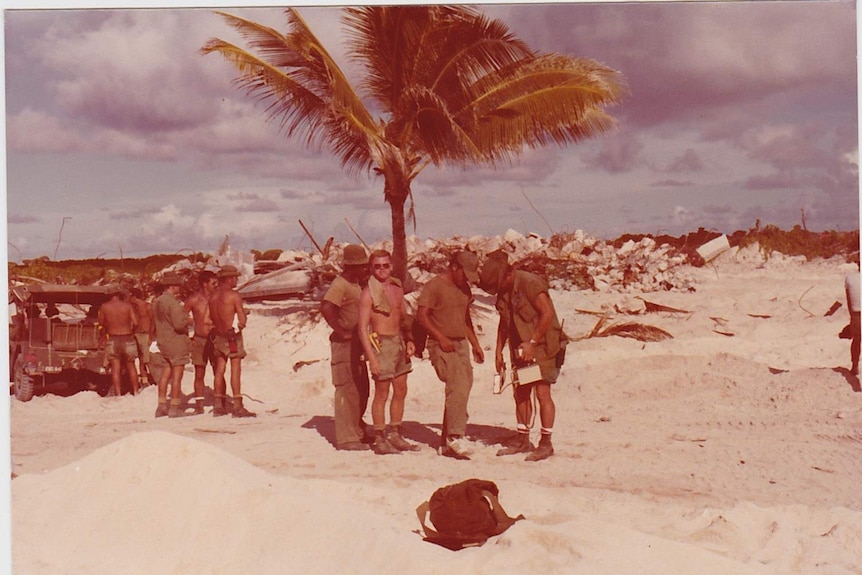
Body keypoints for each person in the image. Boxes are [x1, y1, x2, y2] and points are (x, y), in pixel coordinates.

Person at [478, 249, 566, 462]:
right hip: (521, 350)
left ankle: (546, 443)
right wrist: (498, 351)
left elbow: (547, 313)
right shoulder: (504, 292)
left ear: (508, 275)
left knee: (542, 394)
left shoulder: (530, 283)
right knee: (521, 392)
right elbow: (504, 322)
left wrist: (533, 342)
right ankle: (523, 439)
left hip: (544, 346)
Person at [417, 250, 484, 460]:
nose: (467, 279)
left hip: (460, 344)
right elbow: (421, 316)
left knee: (464, 386)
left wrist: (475, 344)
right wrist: (440, 337)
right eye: (465, 274)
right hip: (440, 344)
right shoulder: (434, 286)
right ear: (454, 267)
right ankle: (456, 435)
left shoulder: (464, 289)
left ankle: (447, 442)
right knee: (457, 385)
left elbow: (465, 319)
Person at [358, 249, 419, 455]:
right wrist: (372, 358)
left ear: (391, 266)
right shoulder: (368, 293)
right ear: (371, 268)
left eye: (385, 265)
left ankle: (395, 433)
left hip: (399, 342)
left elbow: (402, 316)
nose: (382, 269)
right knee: (382, 393)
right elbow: (362, 328)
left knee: (401, 390)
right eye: (377, 266)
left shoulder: (397, 288)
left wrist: (409, 339)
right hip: (381, 344)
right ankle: (379, 438)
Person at [320, 244, 372, 451]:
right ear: (351, 267)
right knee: (347, 390)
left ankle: (357, 429)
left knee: (362, 389)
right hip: (344, 345)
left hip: (358, 345)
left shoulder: (357, 284)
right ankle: (347, 438)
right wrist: (342, 332)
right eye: (361, 266)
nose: (365, 270)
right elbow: (326, 307)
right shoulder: (340, 284)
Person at [207, 265, 256, 418]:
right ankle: (237, 405)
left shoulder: (213, 297)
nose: (236, 280)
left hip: (218, 336)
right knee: (235, 370)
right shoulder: (234, 296)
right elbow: (242, 321)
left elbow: (205, 319)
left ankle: (218, 404)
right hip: (232, 336)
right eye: (235, 277)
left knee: (219, 370)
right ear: (229, 279)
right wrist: (242, 315)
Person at [152, 273, 190, 417]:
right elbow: (179, 324)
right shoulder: (173, 303)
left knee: (165, 373)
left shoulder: (157, 301)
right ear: (172, 286)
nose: (179, 288)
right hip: (176, 341)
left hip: (163, 340)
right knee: (177, 375)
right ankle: (174, 407)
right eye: (177, 286)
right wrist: (189, 320)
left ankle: (161, 406)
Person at [185, 270, 218, 414]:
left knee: (219, 371)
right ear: (205, 284)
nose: (216, 286)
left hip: (216, 339)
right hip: (199, 339)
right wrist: (188, 336)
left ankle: (219, 401)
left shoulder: (218, 298)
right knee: (199, 373)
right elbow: (181, 319)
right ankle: (199, 404)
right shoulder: (193, 300)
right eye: (213, 283)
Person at [97, 285, 140, 396]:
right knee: (131, 366)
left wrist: (104, 333)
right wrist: (131, 331)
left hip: (112, 338)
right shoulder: (127, 306)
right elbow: (135, 323)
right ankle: (136, 391)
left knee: (115, 368)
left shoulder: (104, 307)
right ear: (119, 294)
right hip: (127, 337)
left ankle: (118, 393)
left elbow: (101, 323)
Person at [128, 287, 155, 389]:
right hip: (136, 334)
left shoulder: (147, 306)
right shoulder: (132, 308)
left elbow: (153, 321)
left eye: (130, 296)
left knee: (147, 359)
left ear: (134, 296)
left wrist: (151, 337)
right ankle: (144, 380)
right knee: (140, 358)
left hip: (146, 334)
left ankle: (153, 378)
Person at [844, 257, 860, 377]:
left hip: (855, 314)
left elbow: (849, 301)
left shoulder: (849, 278)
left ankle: (854, 366)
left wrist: (851, 316)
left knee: (856, 341)